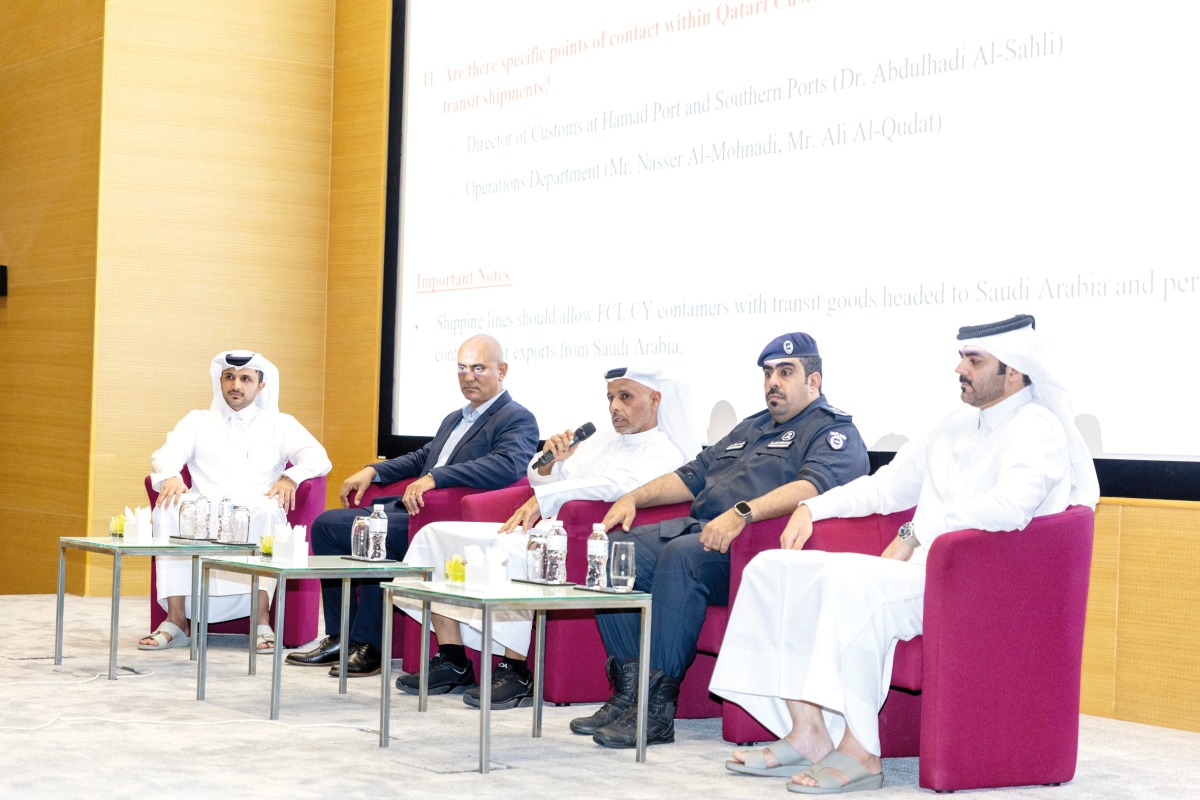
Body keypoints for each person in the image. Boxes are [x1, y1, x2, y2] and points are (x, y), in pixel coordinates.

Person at [711, 314, 1099, 794]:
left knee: (855, 584)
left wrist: (919, 530)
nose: (961, 368)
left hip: (976, 584)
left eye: (974, 360)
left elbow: (1010, 507)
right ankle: (808, 731)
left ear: (1014, 371)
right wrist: (814, 506)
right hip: (920, 575)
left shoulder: (1037, 428)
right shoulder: (955, 423)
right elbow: (886, 487)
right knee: (773, 567)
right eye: (961, 357)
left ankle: (860, 753)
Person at [574, 332, 871, 748]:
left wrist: (743, 512)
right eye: (768, 373)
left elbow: (814, 488)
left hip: (756, 550)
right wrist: (633, 497)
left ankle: (656, 711)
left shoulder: (832, 432)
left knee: (682, 557)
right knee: (614, 549)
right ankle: (629, 694)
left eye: (786, 373)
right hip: (703, 534)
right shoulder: (751, 427)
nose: (773, 382)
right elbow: (691, 475)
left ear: (814, 381)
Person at [394, 367, 700, 710]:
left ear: (655, 399)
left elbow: (615, 487)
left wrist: (546, 499)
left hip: (587, 540)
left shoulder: (665, 451)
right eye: (611, 397)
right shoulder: (599, 440)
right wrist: (550, 464)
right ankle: (452, 658)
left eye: (625, 397)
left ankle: (516, 670)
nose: (614, 406)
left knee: (511, 550)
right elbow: (548, 481)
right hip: (549, 528)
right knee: (437, 534)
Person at [285, 334, 538, 677]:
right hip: (413, 511)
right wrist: (373, 470)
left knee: (370, 535)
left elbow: (507, 465)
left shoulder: (516, 417)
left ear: (502, 370)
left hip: (444, 520)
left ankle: (370, 645)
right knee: (327, 525)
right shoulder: (455, 418)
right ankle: (339, 636)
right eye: (462, 369)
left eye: (479, 368)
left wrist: (437, 477)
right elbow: (422, 456)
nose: (469, 376)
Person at [141, 350, 332, 653]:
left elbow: (318, 457)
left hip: (255, 505)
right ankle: (177, 620)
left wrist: (290, 477)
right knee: (169, 509)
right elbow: (166, 454)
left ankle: (261, 621)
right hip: (204, 506)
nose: (236, 385)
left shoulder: (280, 424)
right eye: (229, 377)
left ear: (260, 386)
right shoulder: (197, 421)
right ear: (220, 381)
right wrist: (172, 475)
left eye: (245, 379)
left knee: (267, 512)